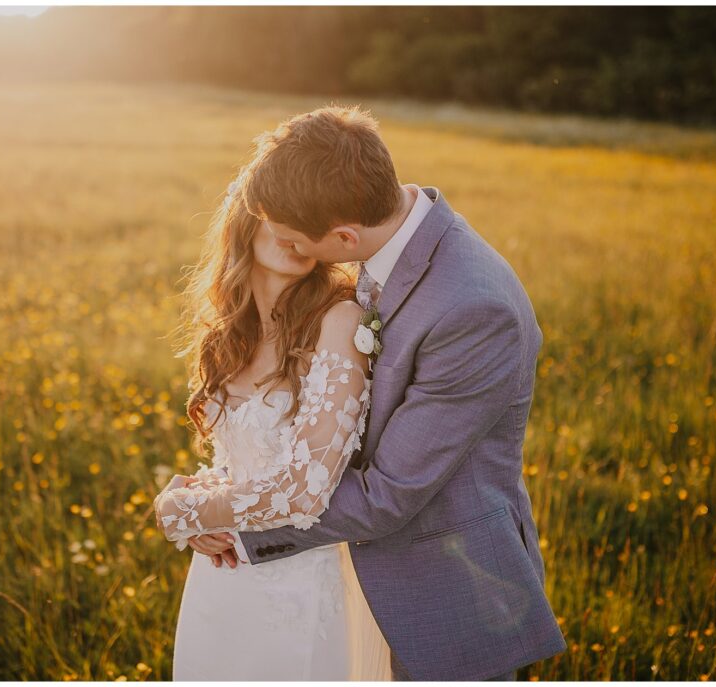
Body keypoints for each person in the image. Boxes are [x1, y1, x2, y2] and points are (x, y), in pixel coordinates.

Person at [177, 105, 568, 681]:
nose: (295, 256)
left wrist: (216, 519)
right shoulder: (379, 248)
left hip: (442, 594)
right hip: (346, 571)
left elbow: (388, 493)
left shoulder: (473, 307)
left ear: (342, 237)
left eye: (295, 241)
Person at [153, 174, 392, 680]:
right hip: (220, 584)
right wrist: (207, 502)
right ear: (248, 215)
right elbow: (241, 461)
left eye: (311, 218)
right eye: (282, 212)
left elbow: (304, 489)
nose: (294, 231)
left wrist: (182, 508)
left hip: (300, 584)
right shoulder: (226, 333)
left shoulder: (341, 320)